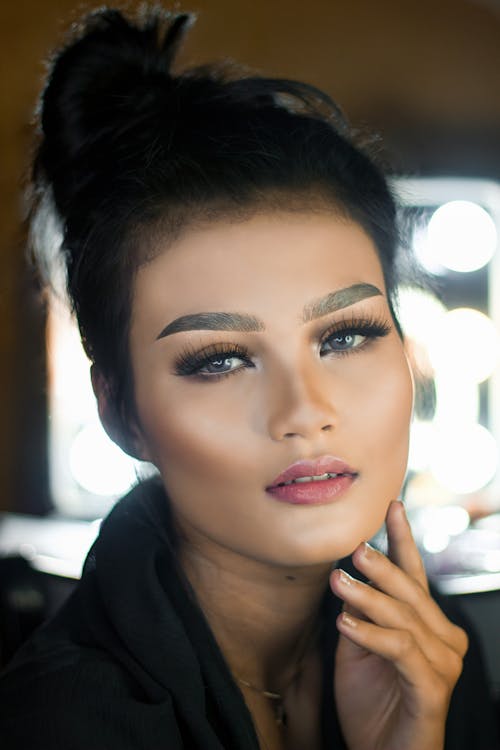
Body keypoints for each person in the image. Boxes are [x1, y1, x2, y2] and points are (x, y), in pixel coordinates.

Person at [0, 6, 498, 749]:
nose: (305, 411)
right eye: (219, 360)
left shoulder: (432, 651)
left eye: (346, 336)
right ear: (121, 413)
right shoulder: (64, 722)